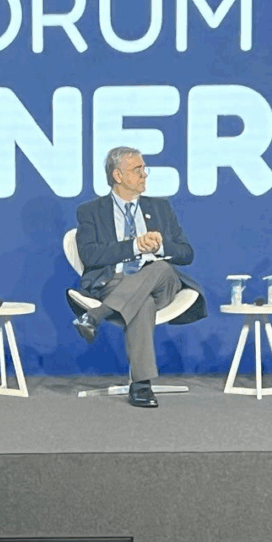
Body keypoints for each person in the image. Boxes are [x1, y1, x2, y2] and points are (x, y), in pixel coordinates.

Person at [70, 146, 206, 408]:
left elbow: (187, 253)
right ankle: (141, 386)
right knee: (142, 302)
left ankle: (96, 315)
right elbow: (90, 255)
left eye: (144, 169)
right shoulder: (90, 211)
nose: (144, 174)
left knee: (160, 268)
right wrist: (134, 246)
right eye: (137, 169)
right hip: (114, 283)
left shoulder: (161, 208)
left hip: (162, 284)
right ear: (118, 175)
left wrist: (159, 247)